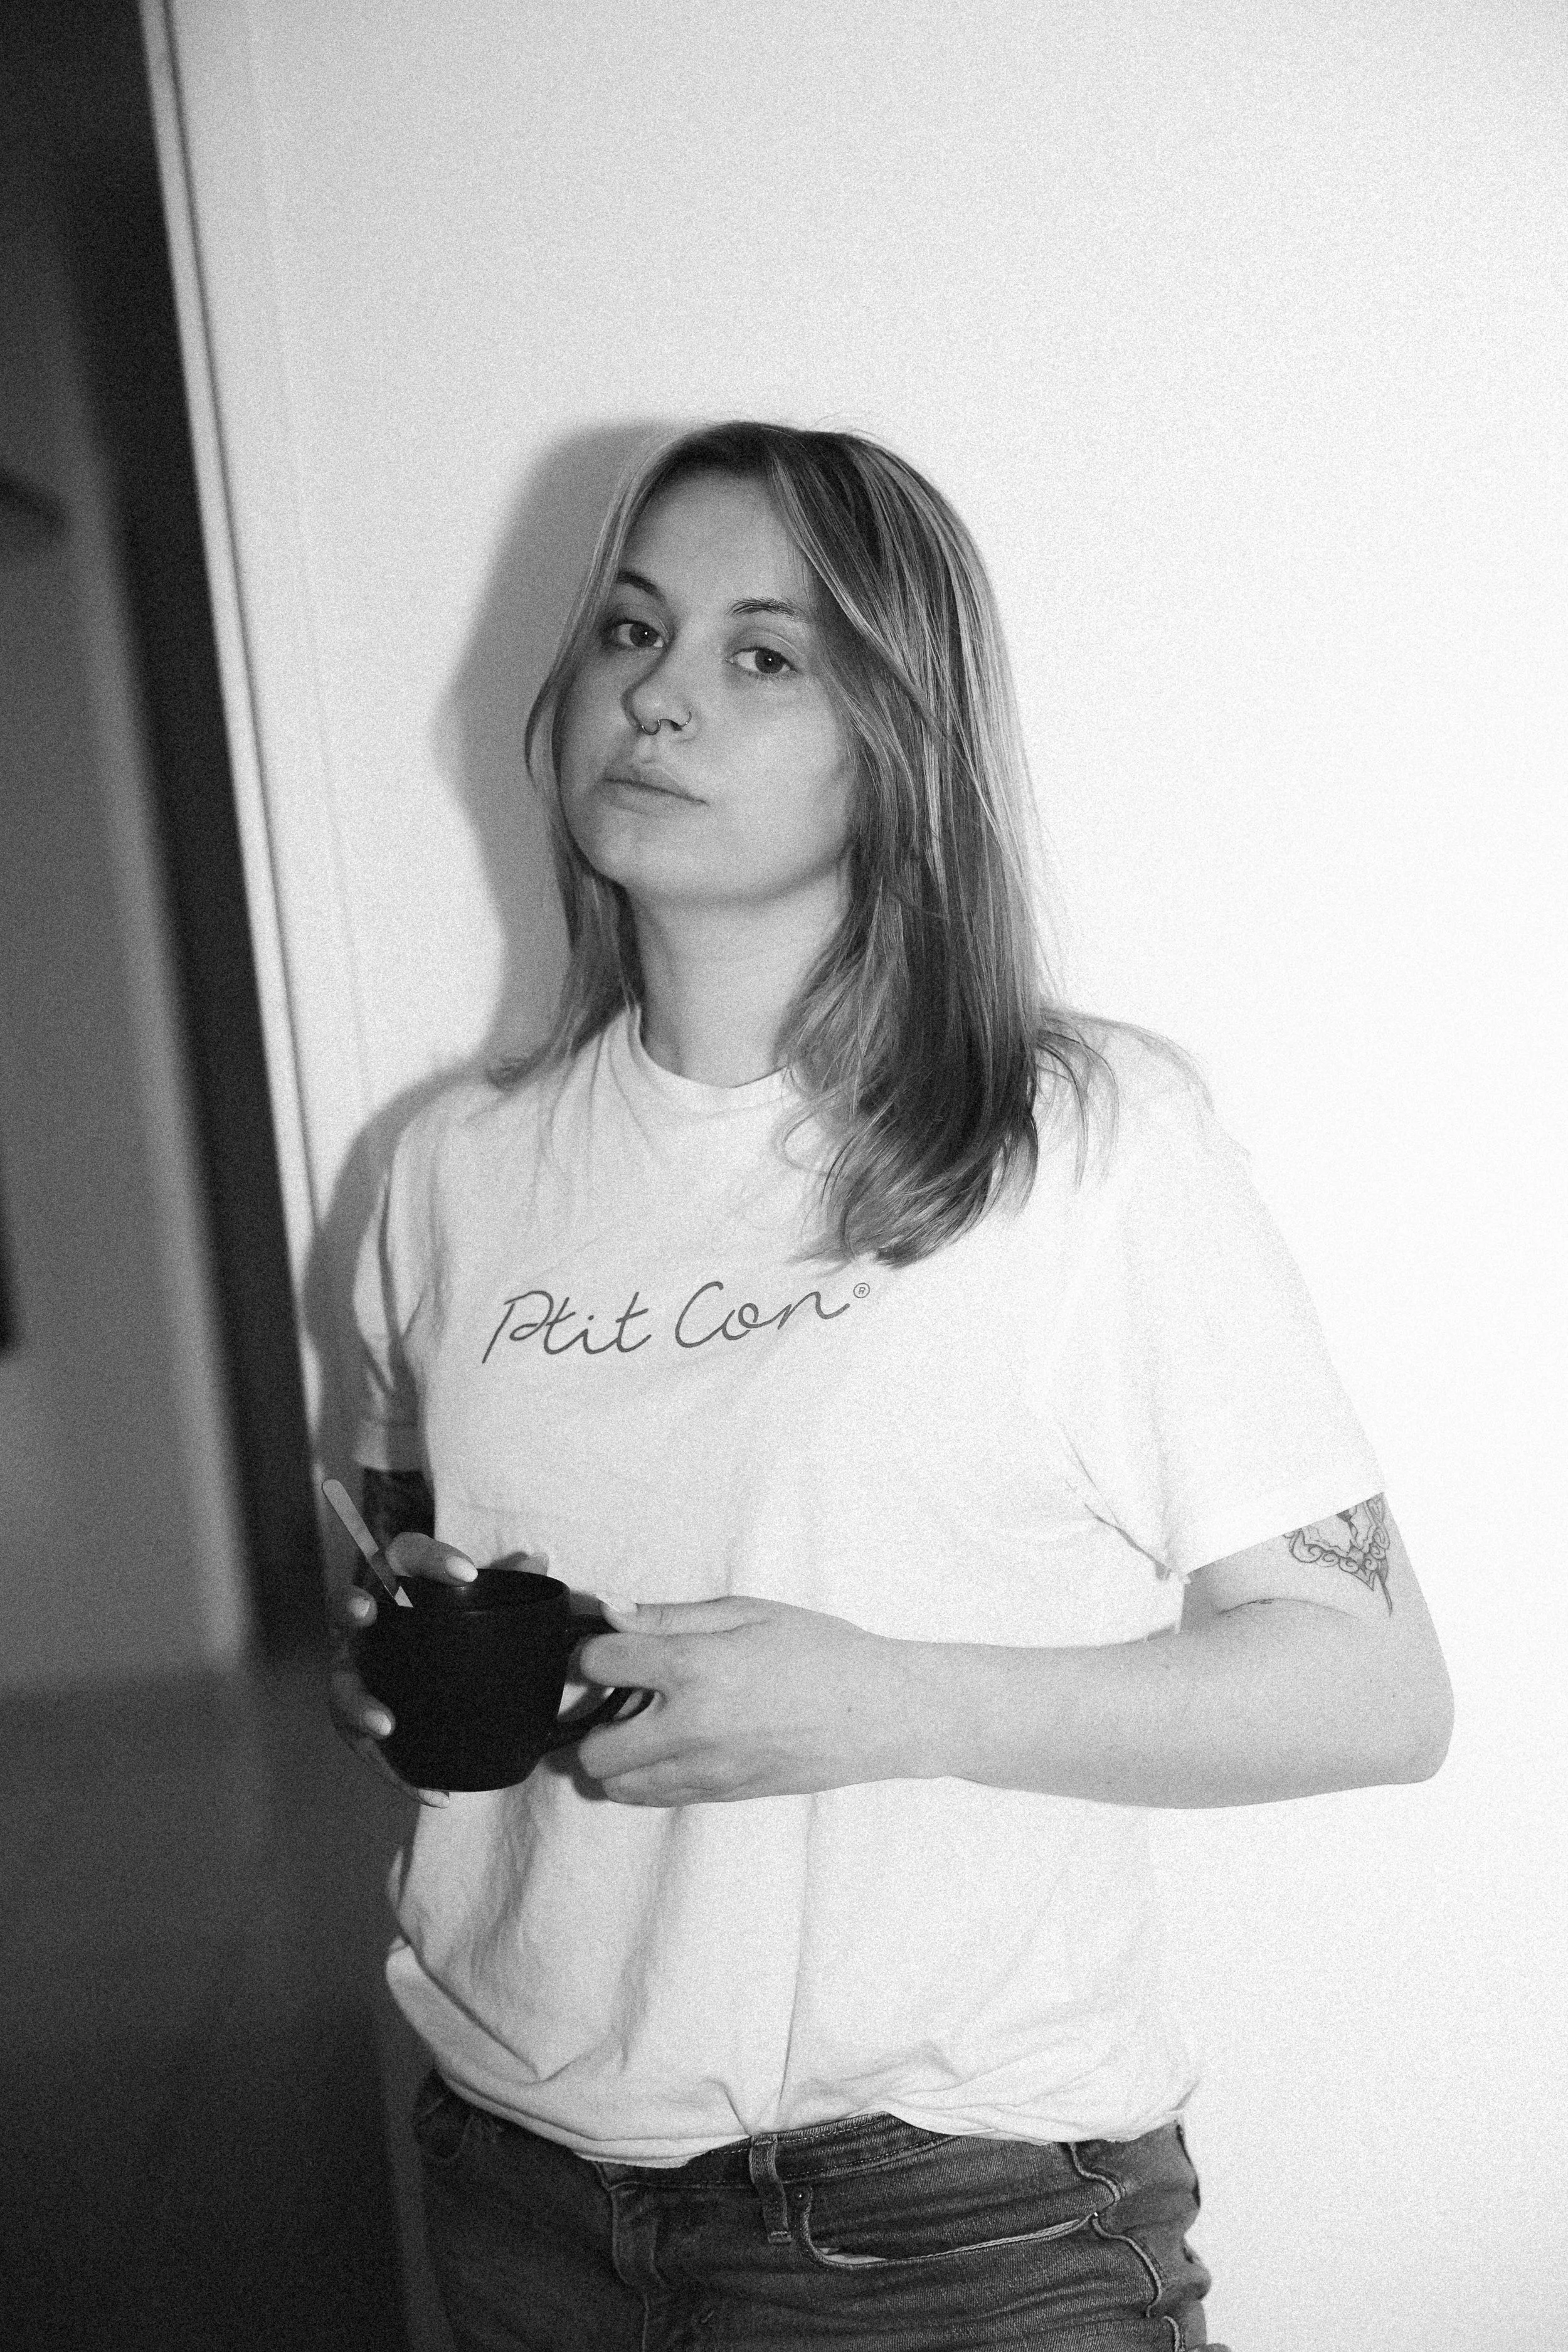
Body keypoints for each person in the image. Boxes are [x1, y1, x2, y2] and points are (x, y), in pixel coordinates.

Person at [331, 420, 1453, 2351]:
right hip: (513, 2167)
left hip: (937, 2224)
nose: (659, 688)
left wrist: (877, 1698)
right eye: (628, 628)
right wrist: (406, 1649)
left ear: (899, 738)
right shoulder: (452, 1171)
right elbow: (393, 1526)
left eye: (763, 652)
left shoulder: (1074, 1143)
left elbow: (1368, 1685)